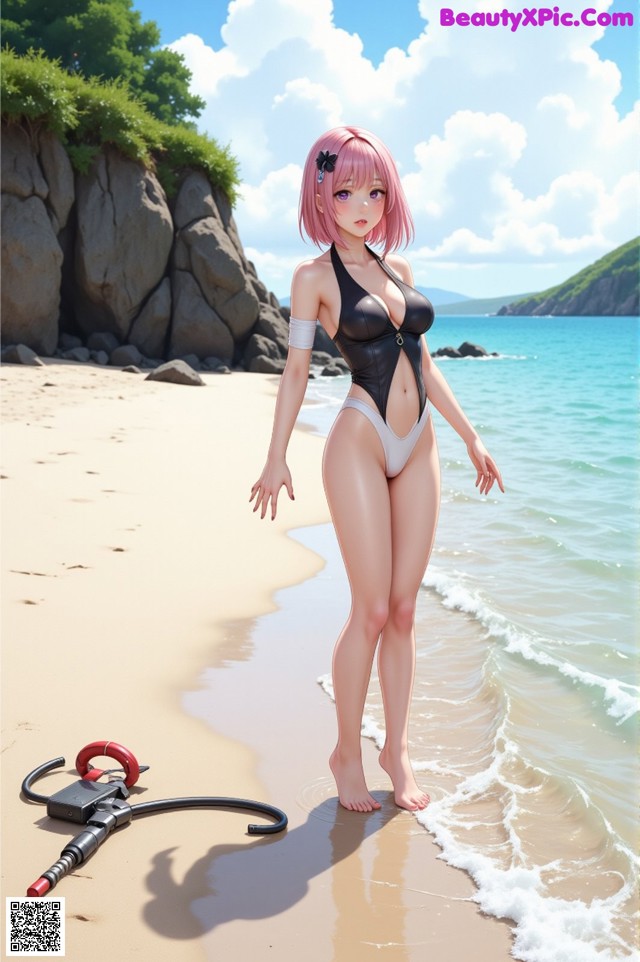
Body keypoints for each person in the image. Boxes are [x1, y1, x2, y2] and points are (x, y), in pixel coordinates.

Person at [250, 126, 504, 814]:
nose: (363, 205)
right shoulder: (311, 280)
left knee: (402, 610)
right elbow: (298, 365)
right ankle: (346, 753)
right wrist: (276, 456)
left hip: (418, 444)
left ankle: (397, 749)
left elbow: (423, 365)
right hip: (359, 440)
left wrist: (472, 438)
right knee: (367, 610)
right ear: (321, 195)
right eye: (346, 191)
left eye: (376, 190)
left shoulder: (402, 273)